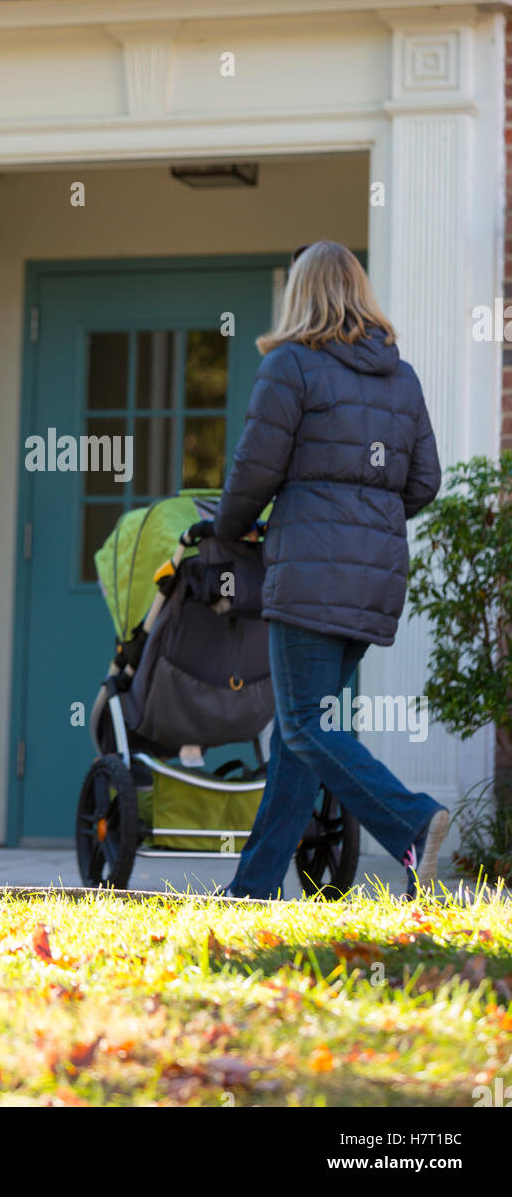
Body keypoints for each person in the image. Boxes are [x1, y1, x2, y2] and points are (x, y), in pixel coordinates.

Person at [210, 240, 447, 899]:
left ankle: (412, 821)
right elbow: (425, 481)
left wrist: (226, 531)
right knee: (299, 736)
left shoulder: (293, 364)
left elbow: (256, 467)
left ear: (300, 293)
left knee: (307, 725)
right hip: (370, 585)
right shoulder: (399, 375)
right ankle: (252, 888)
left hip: (310, 576)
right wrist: (365, 521)